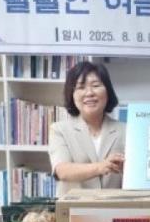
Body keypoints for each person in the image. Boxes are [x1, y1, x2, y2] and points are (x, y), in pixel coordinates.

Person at [49, 61, 125, 196]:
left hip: (115, 207)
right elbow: (62, 171)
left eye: (96, 86)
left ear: (108, 91)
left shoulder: (125, 130)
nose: (89, 93)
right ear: (72, 94)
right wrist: (101, 167)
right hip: (74, 207)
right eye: (81, 87)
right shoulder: (59, 130)